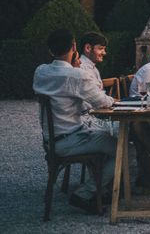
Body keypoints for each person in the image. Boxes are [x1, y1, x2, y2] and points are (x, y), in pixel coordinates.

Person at [33, 29, 117, 213]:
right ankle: (86, 193)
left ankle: (100, 190)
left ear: (50, 51)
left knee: (107, 136)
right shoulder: (77, 76)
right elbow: (102, 102)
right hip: (73, 139)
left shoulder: (40, 72)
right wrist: (115, 101)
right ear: (74, 48)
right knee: (125, 149)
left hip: (52, 141)